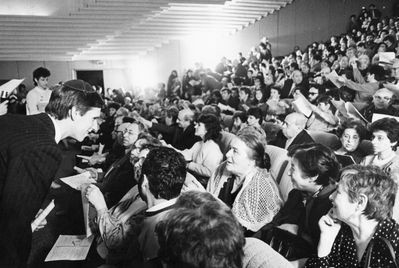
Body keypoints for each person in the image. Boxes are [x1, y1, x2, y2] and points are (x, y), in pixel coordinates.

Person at [0, 79, 104, 267]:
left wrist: (28, 210)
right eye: (94, 118)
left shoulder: (14, 120)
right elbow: (12, 228)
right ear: (74, 112)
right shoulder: (45, 149)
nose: (95, 127)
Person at [255, 143, 340, 260]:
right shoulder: (296, 194)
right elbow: (275, 223)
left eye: (293, 168)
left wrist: (298, 232)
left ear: (313, 176)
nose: (288, 173)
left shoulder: (332, 205)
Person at [305, 165, 399, 267]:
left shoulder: (395, 243)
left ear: (360, 202)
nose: (331, 196)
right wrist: (326, 240)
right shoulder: (341, 230)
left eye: (338, 192)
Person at [207, 129, 283, 234]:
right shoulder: (224, 168)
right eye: (230, 149)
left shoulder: (259, 186)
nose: (228, 154)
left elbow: (242, 231)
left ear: (252, 160)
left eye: (235, 151)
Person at [179, 114, 223, 186]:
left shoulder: (212, 148)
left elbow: (210, 172)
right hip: (195, 178)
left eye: (199, 125)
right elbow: (186, 154)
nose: (195, 126)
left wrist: (190, 165)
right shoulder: (199, 143)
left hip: (203, 183)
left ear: (207, 129)